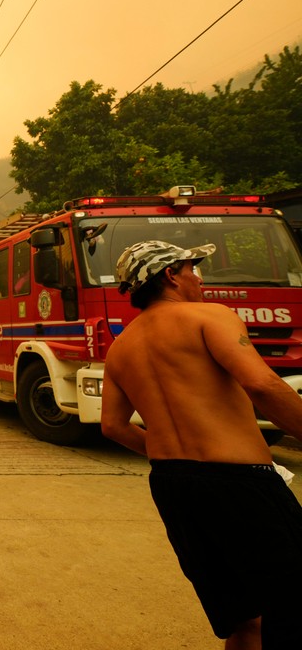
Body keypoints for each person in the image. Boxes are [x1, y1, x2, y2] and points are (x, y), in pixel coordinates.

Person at [102, 239, 302, 650]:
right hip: (242, 484)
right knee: (291, 609)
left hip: (173, 485)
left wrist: (173, 455)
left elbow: (113, 426)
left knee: (244, 619)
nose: (199, 278)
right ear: (170, 275)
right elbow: (262, 384)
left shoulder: (121, 347)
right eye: (193, 268)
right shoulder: (210, 317)